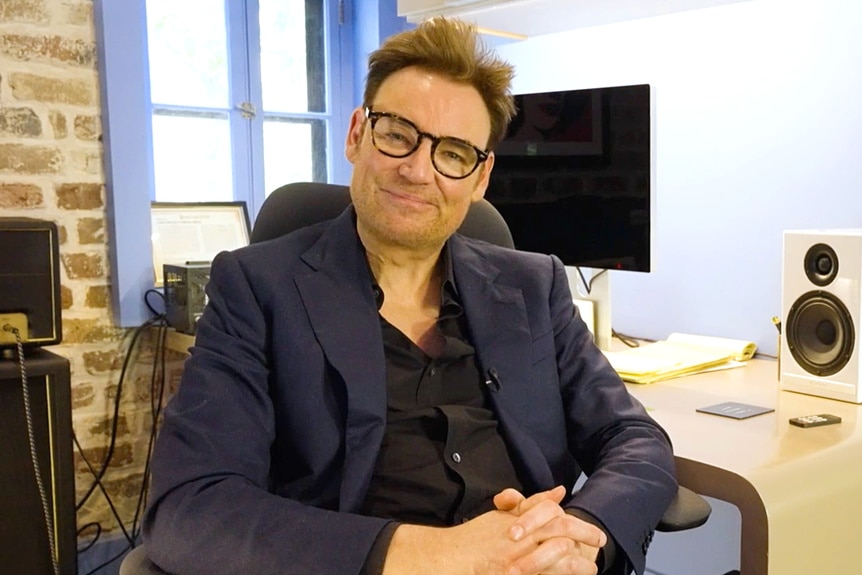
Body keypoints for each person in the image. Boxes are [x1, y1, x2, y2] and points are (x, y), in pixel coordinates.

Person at [143, 17, 677, 575]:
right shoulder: (256, 288)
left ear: (480, 178)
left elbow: (633, 437)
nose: (418, 170)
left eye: (452, 153)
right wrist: (442, 555)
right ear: (357, 134)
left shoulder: (532, 285)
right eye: (398, 134)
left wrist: (580, 533)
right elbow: (192, 506)